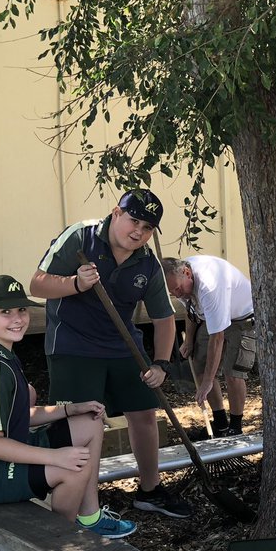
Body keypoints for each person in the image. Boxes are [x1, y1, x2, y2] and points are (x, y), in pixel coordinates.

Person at [29, 190, 193, 520]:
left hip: (122, 345)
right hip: (73, 345)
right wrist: (76, 283)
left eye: (147, 228)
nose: (138, 232)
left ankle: (150, 491)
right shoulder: (81, 237)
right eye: (134, 221)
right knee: (83, 422)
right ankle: (78, 504)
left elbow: (163, 319)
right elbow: (37, 285)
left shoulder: (147, 262)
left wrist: (161, 363)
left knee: (145, 413)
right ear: (116, 213)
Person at [0, 275, 136, 538]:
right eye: (5, 312)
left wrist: (69, 410)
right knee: (74, 468)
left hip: (11, 449)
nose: (17, 318)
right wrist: (56, 457)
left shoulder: (2, 351)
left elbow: (15, 417)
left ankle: (89, 518)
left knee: (89, 421)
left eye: (21, 310)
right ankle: (58, 540)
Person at [161, 255, 257, 437]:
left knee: (232, 374)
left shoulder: (209, 285)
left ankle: (235, 428)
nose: (176, 294)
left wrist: (206, 383)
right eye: (172, 292)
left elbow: (217, 338)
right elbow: (190, 309)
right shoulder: (180, 282)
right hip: (211, 318)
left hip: (242, 319)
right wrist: (189, 341)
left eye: (177, 290)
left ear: (187, 273)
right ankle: (220, 424)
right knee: (200, 364)